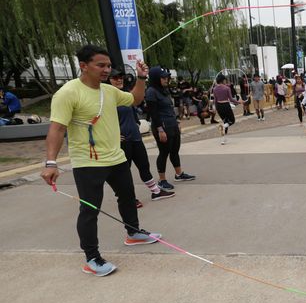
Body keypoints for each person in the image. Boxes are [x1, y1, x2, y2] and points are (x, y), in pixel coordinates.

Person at [40, 45, 162, 277]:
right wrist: (50, 163)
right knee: (90, 209)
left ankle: (134, 233)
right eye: (101, 65)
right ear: (83, 66)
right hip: (88, 162)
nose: (106, 70)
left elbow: (135, 99)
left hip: (116, 157)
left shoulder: (109, 90)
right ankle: (92, 258)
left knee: (127, 198)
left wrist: (141, 77)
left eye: (108, 66)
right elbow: (56, 129)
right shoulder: (68, 93)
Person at [108, 71, 175, 207]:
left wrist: (137, 124)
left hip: (135, 137)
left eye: (121, 77)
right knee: (124, 172)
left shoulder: (125, 95)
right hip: (122, 141)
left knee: (144, 165)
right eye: (115, 78)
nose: (119, 80)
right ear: (108, 80)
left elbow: (134, 108)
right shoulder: (107, 97)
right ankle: (129, 199)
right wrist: (113, 136)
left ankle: (156, 191)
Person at [145, 66, 196, 190]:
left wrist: (177, 122)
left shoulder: (164, 90)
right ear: (156, 78)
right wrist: (160, 130)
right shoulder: (151, 91)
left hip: (172, 124)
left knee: (174, 150)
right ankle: (162, 180)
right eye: (163, 77)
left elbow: (169, 108)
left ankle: (179, 174)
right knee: (164, 152)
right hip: (162, 126)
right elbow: (153, 113)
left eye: (166, 77)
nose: (166, 79)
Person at [213, 73, 240, 145]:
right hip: (225, 105)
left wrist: (216, 108)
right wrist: (238, 102)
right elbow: (231, 99)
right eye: (225, 80)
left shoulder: (214, 89)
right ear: (222, 80)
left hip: (219, 106)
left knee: (225, 122)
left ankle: (223, 139)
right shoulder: (227, 88)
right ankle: (223, 127)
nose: (226, 81)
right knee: (232, 121)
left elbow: (215, 100)